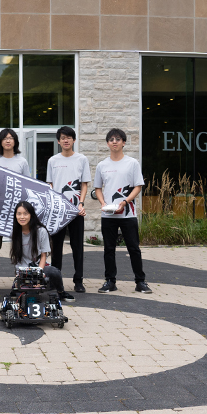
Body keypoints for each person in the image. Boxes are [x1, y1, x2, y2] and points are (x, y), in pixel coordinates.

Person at [93, 128, 152, 294]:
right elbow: (97, 188)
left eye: (118, 139)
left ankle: (140, 282)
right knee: (109, 249)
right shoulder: (102, 165)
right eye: (111, 139)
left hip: (128, 213)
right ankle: (110, 281)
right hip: (108, 214)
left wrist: (125, 202)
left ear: (124, 143)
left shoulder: (132, 163)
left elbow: (138, 186)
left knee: (133, 248)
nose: (114, 142)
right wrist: (103, 203)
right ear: (107, 143)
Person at [45, 126, 90, 294]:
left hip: (76, 210)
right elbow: (50, 185)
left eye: (69, 137)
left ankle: (78, 280)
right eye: (63, 138)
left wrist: (81, 203)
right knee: (56, 247)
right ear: (58, 141)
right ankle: (55, 280)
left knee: (77, 246)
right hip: (58, 211)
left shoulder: (81, 159)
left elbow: (84, 184)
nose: (66, 140)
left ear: (74, 140)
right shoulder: (52, 160)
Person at [0, 128, 31, 283]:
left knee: (20, 243)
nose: (8, 140)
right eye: (5, 138)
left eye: (11, 138)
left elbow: (27, 185)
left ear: (15, 141)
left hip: (17, 210)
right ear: (0, 142)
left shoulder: (22, 161)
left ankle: (22, 277)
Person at [9, 201, 71, 300]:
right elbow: (17, 258)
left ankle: (61, 292)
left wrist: (38, 276)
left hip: (39, 267)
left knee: (54, 272)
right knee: (25, 295)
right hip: (24, 270)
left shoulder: (41, 231)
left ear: (31, 215)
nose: (22, 217)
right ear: (15, 216)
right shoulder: (15, 233)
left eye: (25, 214)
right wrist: (18, 276)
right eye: (19, 214)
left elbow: (43, 255)